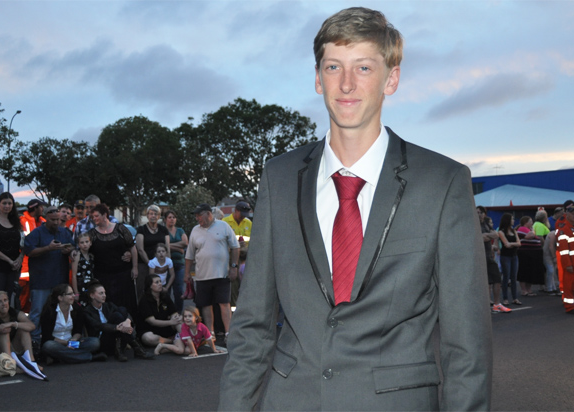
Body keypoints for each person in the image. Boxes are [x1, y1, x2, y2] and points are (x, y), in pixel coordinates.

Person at [218, 7, 492, 411]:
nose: (346, 83)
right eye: (333, 67)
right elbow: (253, 324)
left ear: (391, 79)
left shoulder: (442, 182)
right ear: (318, 78)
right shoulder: (279, 177)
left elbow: (466, 343)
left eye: (363, 67)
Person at [185, 204, 239, 343]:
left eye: (199, 215)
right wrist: (187, 273)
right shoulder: (195, 230)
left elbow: (235, 247)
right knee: (206, 305)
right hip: (202, 275)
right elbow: (189, 255)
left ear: (208, 214)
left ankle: (229, 333)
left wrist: (234, 267)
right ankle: (210, 334)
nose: (197, 218)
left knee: (224, 303)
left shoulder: (223, 226)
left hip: (222, 274)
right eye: (196, 216)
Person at [24, 206, 75, 348]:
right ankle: (35, 343)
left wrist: (68, 250)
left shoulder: (64, 232)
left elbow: (73, 247)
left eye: (58, 219)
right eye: (53, 220)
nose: (56, 222)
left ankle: (57, 340)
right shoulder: (37, 233)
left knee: (59, 312)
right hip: (41, 280)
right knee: (37, 312)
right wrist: (48, 248)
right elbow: (29, 251)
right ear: (46, 218)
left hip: (60, 280)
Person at [87, 204, 138, 316]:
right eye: (93, 217)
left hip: (123, 275)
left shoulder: (120, 229)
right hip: (103, 276)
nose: (94, 218)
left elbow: (132, 247)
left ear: (105, 215)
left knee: (126, 303)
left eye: (96, 216)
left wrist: (135, 267)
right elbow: (85, 250)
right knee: (108, 305)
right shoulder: (92, 234)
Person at [83, 282, 153, 361]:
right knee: (117, 316)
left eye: (104, 293)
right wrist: (117, 328)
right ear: (92, 295)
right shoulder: (87, 311)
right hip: (101, 342)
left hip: (114, 337)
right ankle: (136, 348)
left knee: (120, 312)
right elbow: (98, 325)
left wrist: (127, 321)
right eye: (101, 293)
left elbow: (123, 311)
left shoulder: (108, 305)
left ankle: (120, 350)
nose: (104, 295)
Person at [39, 284, 105, 364]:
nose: (73, 296)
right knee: (48, 346)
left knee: (94, 342)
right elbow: (47, 336)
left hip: (72, 343)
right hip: (56, 343)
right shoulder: (49, 311)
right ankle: (89, 357)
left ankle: (61, 357)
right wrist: (67, 343)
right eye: (70, 294)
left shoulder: (77, 309)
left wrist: (73, 341)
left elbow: (78, 331)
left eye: (73, 293)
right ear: (60, 298)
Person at [0, 290, 36, 363]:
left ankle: (31, 361)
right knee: (5, 331)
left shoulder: (14, 312)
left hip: (10, 346)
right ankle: (9, 363)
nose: (3, 304)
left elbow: (32, 326)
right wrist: (6, 325)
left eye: (5, 300)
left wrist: (13, 324)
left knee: (24, 330)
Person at [154, 306, 222, 357]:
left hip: (190, 341)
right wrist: (194, 352)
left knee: (187, 351)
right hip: (180, 339)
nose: (187, 318)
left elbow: (209, 339)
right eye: (185, 316)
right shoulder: (184, 326)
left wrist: (214, 350)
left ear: (196, 317)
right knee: (180, 350)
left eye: (190, 316)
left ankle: (168, 349)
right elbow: (189, 340)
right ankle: (162, 345)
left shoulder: (202, 327)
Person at [477, 207, 510, 313]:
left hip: (489, 256)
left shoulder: (486, 223)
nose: (478, 214)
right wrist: (487, 236)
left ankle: (497, 304)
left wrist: (486, 236)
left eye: (480, 212)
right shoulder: (474, 225)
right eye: (476, 212)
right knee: (484, 282)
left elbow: (495, 234)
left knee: (497, 279)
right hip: (479, 257)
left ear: (484, 214)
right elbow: (479, 238)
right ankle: (485, 306)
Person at [135, 205, 170, 301]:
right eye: (151, 214)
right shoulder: (141, 229)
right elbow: (140, 249)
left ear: (159, 216)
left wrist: (167, 263)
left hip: (160, 265)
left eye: (156, 214)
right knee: (142, 289)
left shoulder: (163, 230)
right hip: (144, 264)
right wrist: (151, 264)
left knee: (159, 290)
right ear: (147, 215)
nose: (153, 216)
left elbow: (167, 248)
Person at [19, 198, 47, 312]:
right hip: (25, 267)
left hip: (39, 267)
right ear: (35, 208)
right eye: (41, 207)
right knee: (23, 298)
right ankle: (21, 318)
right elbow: (24, 244)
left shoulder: (43, 222)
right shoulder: (22, 221)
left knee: (36, 300)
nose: (43, 209)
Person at [137, 274, 181, 348]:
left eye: (160, 281)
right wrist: (171, 322)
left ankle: (186, 339)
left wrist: (177, 318)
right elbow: (152, 322)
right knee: (149, 338)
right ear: (150, 286)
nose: (160, 284)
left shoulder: (165, 296)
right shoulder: (144, 300)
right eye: (156, 282)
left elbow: (174, 313)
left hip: (165, 327)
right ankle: (172, 341)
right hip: (149, 329)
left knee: (179, 321)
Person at [164, 209, 188, 313]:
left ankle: (178, 312)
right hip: (166, 265)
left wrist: (168, 245)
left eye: (174, 217)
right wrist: (179, 249)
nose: (172, 219)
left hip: (179, 264)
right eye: (169, 217)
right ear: (165, 219)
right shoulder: (163, 231)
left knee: (179, 290)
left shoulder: (180, 230)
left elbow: (185, 243)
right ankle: (167, 313)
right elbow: (162, 246)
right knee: (166, 290)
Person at [516, 216, 544, 297]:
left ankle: (529, 289)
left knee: (531, 271)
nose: (532, 223)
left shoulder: (530, 229)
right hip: (525, 253)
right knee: (524, 271)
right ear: (526, 222)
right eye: (530, 221)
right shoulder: (522, 229)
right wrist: (533, 231)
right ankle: (524, 290)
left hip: (534, 253)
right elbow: (529, 236)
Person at [499, 213, 522, 305]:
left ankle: (515, 298)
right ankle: (505, 298)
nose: (513, 221)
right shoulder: (501, 232)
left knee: (513, 277)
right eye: (512, 219)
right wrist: (514, 244)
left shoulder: (514, 231)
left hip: (514, 256)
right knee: (506, 276)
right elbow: (506, 244)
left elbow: (519, 243)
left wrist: (511, 244)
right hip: (505, 256)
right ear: (507, 220)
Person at [556, 202, 574, 313]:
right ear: (568, 215)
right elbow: (563, 251)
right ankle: (570, 307)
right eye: (573, 214)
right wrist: (568, 265)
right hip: (570, 263)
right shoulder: (564, 229)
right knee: (569, 286)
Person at [71, 232, 95, 305]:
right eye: (82, 242)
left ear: (90, 243)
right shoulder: (77, 255)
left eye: (87, 242)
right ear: (78, 245)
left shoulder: (91, 256)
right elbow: (73, 275)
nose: (85, 244)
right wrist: (76, 292)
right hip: (80, 285)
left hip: (91, 285)